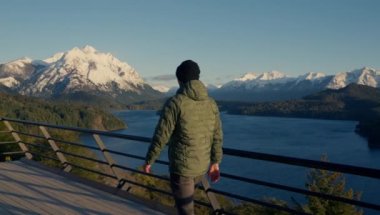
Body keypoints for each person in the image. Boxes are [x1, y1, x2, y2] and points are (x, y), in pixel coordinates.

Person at [143, 60, 223, 215]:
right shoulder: (211, 103)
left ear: (180, 80)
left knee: (185, 211)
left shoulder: (175, 103)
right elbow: (217, 135)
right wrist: (215, 161)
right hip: (201, 168)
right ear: (197, 78)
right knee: (187, 208)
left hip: (182, 169)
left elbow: (161, 135)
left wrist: (149, 160)